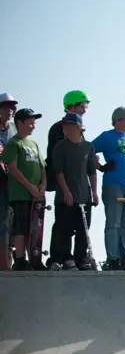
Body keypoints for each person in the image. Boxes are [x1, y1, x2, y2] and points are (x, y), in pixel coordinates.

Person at [43, 90, 91, 267]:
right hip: (64, 181)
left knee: (78, 223)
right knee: (63, 223)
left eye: (86, 106)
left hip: (79, 183)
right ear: (70, 106)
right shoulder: (58, 128)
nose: (85, 110)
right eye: (82, 106)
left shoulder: (79, 129)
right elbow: (56, 157)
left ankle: (76, 258)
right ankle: (58, 257)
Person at [92, 107, 125, 269]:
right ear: (118, 120)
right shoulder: (107, 136)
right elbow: (89, 150)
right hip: (113, 184)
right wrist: (101, 167)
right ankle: (113, 258)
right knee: (114, 222)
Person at [50, 113, 100, 270]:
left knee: (83, 230)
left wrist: (95, 193)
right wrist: (66, 192)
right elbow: (59, 172)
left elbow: (92, 172)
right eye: (64, 127)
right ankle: (65, 258)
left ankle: (81, 259)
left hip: (84, 196)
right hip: (65, 197)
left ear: (78, 128)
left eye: (68, 126)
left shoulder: (88, 147)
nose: (65, 129)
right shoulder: (61, 146)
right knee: (64, 229)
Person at [1, 108, 46, 270]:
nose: (33, 126)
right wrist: (29, 187)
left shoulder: (34, 144)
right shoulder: (14, 143)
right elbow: (12, 168)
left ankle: (35, 259)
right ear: (19, 123)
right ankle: (20, 260)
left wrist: (42, 186)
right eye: (30, 123)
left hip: (36, 195)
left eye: (34, 123)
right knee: (21, 228)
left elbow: (42, 167)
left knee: (35, 228)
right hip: (20, 193)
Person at [0, 93, 17, 271]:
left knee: (12, 222)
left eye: (12, 107)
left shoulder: (13, 129)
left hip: (12, 181)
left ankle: (10, 260)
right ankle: (3, 266)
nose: (9, 110)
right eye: (6, 107)